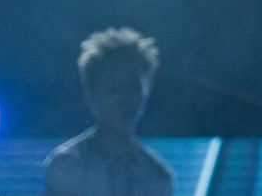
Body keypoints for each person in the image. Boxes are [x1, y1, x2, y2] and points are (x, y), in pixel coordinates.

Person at [43, 28, 173, 196]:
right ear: (91, 94)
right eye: (113, 88)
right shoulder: (67, 164)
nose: (124, 100)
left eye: (133, 87)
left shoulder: (157, 175)